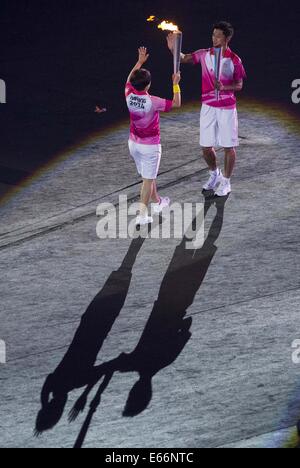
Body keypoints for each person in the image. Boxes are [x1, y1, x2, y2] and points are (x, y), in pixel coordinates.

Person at [167, 21, 246, 196]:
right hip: (208, 106)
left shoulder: (234, 60)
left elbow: (239, 84)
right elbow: (185, 58)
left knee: (228, 146)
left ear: (227, 38)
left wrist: (224, 88)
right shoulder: (204, 54)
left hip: (226, 108)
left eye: (218, 35)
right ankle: (214, 174)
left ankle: (226, 182)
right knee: (205, 146)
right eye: (213, 35)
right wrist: (173, 49)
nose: (214, 38)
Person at [125, 47, 181, 226]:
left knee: (149, 176)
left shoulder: (128, 94)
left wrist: (140, 62)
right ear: (148, 85)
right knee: (147, 181)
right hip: (150, 147)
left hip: (133, 144)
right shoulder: (153, 101)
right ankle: (141, 216)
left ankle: (158, 203)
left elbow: (129, 79)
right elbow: (177, 103)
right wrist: (176, 83)